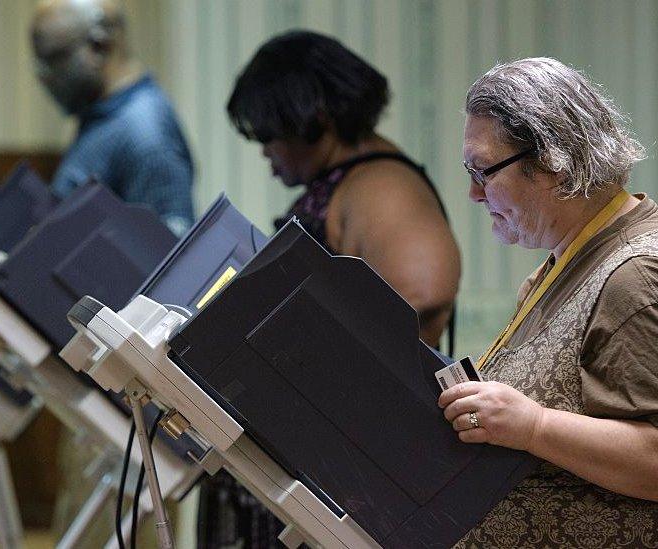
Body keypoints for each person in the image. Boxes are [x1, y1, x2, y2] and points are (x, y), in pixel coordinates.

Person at [439, 57, 658, 547]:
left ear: (551, 164)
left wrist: (535, 426)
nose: (473, 193)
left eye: (483, 171)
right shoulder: (583, 253)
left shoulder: (641, 278)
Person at [194, 30, 463, 548]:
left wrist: (302, 354)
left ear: (311, 118)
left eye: (271, 136)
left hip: (344, 468)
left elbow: (426, 292)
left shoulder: (381, 184)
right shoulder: (348, 180)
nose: (267, 154)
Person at [31, 0, 194, 235]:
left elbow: (165, 255)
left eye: (55, 58)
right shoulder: (104, 115)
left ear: (100, 46)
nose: (44, 77)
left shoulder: (145, 133)